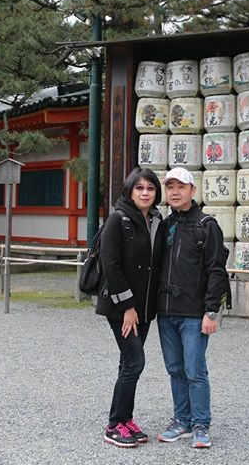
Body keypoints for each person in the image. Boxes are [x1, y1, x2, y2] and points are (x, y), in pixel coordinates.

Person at [156, 167, 228, 449]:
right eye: (170, 187)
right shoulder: (165, 225)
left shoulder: (206, 225)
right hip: (166, 311)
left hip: (194, 314)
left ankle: (201, 424)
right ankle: (181, 420)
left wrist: (211, 311)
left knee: (195, 370)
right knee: (175, 369)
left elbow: (216, 271)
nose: (175, 192)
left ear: (192, 190)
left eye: (181, 187)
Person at [96, 166, 163, 448]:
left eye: (150, 188)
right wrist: (127, 306)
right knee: (135, 361)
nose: (145, 193)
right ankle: (114, 425)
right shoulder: (118, 219)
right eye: (140, 188)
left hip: (144, 307)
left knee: (128, 363)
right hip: (121, 307)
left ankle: (125, 419)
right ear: (130, 190)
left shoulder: (156, 220)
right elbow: (110, 265)